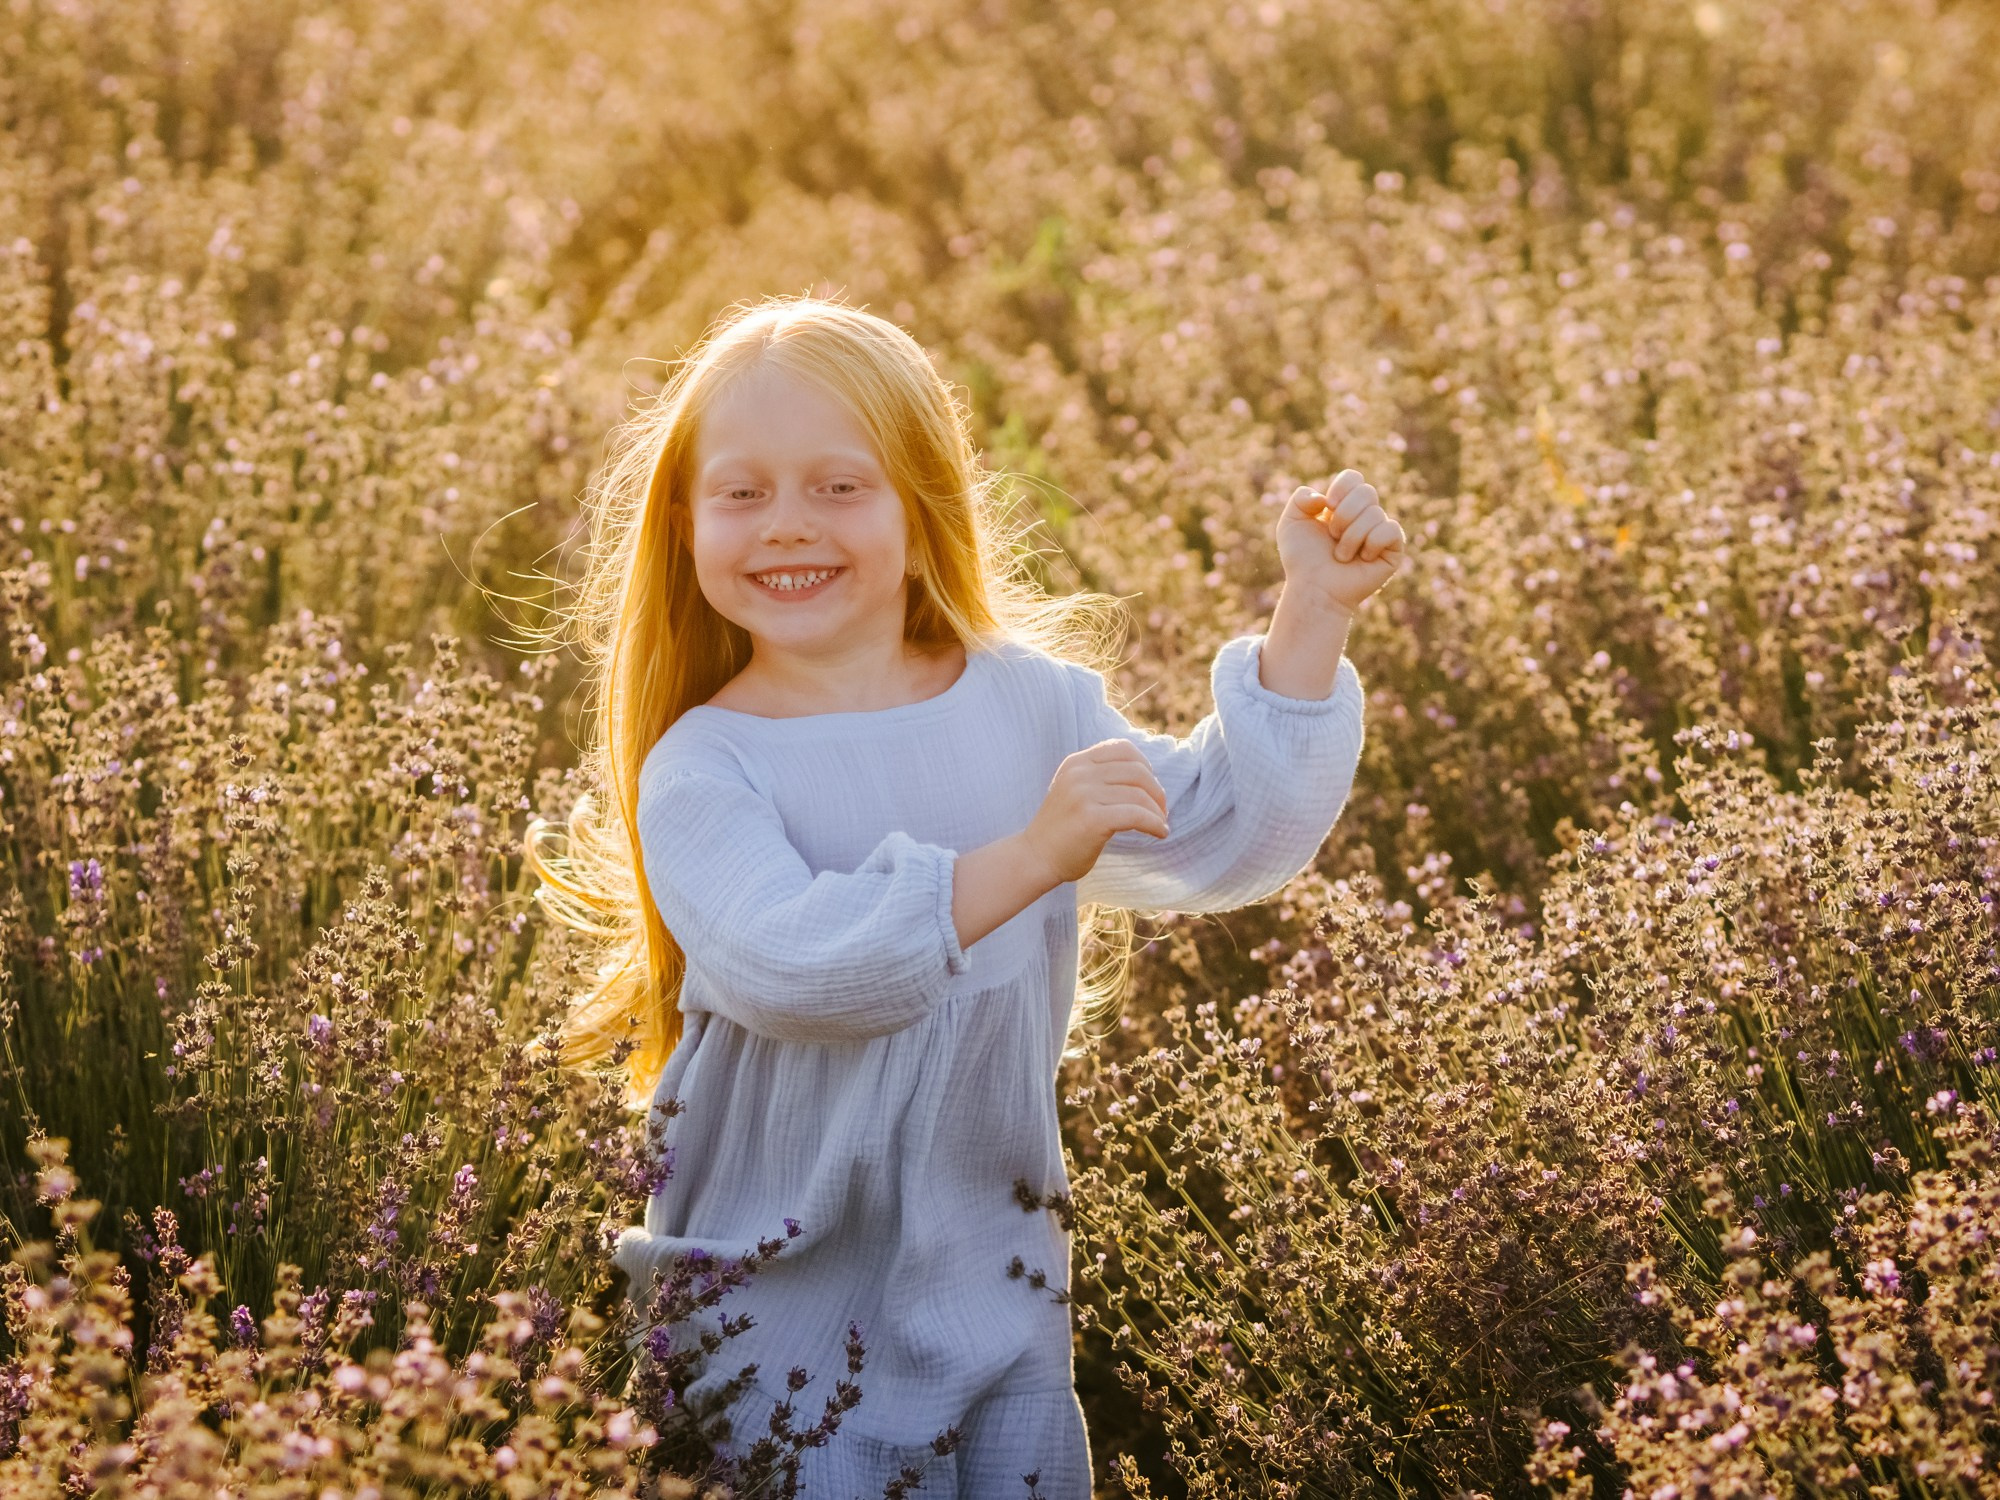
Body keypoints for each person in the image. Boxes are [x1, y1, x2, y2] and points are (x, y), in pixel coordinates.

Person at [527, 293, 1404, 1496]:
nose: (789, 525)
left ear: (921, 504)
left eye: (840, 486)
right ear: (683, 524)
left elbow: (1224, 832)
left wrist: (1311, 610)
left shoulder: (1026, 707)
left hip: (995, 1300)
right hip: (768, 1331)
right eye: (742, 493)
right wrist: (1026, 859)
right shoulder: (705, 767)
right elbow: (797, 969)